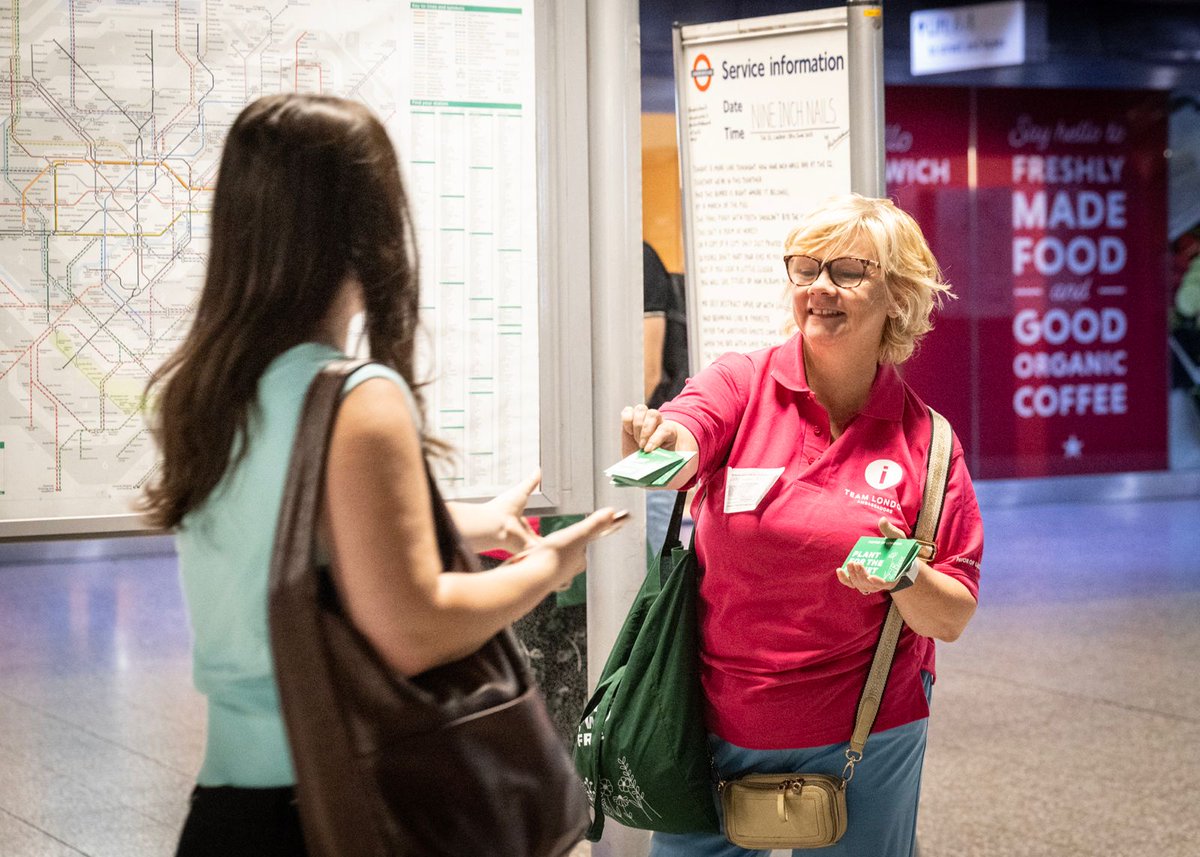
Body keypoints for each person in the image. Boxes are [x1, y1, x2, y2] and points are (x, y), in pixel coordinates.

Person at [141, 93, 624, 857]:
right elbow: (411, 629)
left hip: (228, 812)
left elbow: (279, 528)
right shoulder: (358, 398)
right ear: (367, 228)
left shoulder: (204, 389)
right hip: (340, 800)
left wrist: (462, 522)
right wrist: (546, 568)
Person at [621, 194, 983, 857]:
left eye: (848, 269)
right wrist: (660, 439)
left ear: (897, 297)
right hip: (717, 721)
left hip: (870, 729)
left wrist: (902, 570)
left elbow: (950, 615)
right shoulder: (741, 382)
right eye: (806, 267)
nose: (820, 286)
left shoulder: (927, 443)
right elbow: (685, 437)